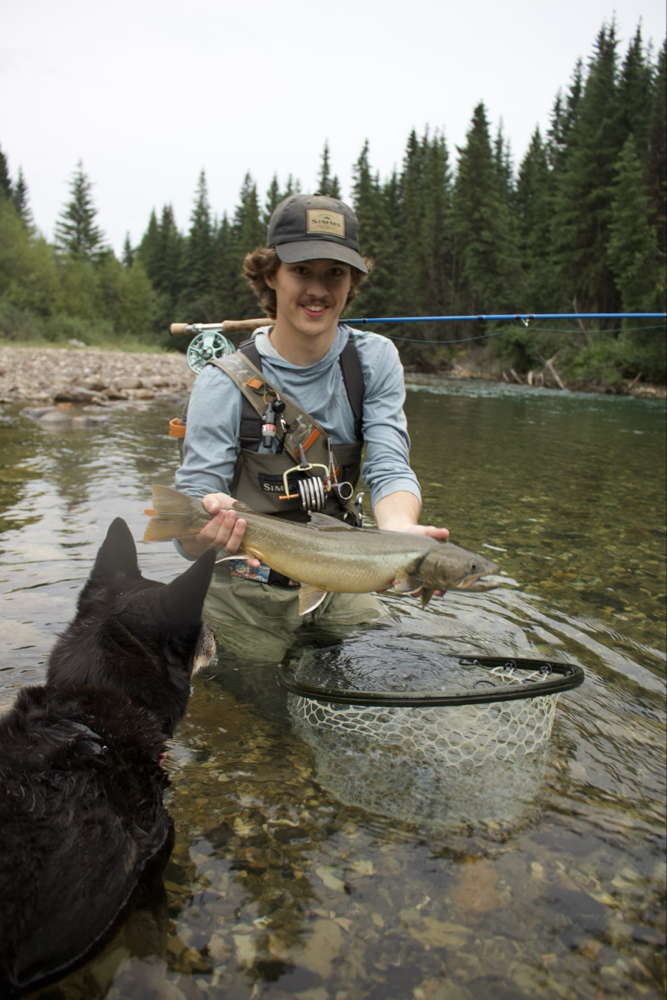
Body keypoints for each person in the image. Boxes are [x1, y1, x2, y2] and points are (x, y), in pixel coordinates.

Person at [173, 193, 449, 659]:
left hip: (342, 579)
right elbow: (187, 528)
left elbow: (389, 466)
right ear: (270, 274)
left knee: (391, 673)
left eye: (334, 273)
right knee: (259, 700)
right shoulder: (222, 382)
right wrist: (202, 524)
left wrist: (401, 537)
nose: (318, 290)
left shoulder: (375, 360)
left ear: (352, 280)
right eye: (302, 270)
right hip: (244, 590)